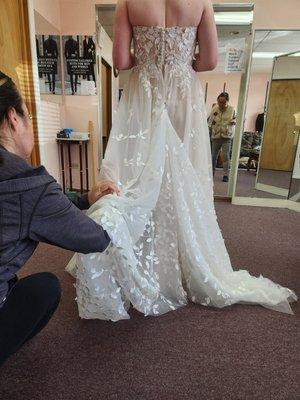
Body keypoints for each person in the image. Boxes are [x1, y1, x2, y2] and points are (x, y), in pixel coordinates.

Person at [66, 0, 296, 321]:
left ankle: (135, 261)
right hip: (181, 94)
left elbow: (120, 59)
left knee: (137, 174)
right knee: (183, 178)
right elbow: (209, 61)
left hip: (143, 94)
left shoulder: (128, 2)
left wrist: (147, 58)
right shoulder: (200, 1)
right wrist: (178, 57)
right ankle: (183, 258)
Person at [0, 72, 119, 366]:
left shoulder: (31, 189)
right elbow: (95, 239)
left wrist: (83, 200)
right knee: (46, 288)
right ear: (14, 118)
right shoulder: (27, 183)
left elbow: (45, 206)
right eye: (28, 114)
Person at [208, 92, 236, 182]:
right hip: (216, 136)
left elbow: (237, 119)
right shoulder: (214, 109)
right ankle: (211, 174)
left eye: (223, 102)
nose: (221, 104)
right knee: (213, 156)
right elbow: (209, 122)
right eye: (219, 102)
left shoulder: (232, 110)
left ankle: (226, 175)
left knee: (226, 156)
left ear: (227, 102)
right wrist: (208, 133)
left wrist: (234, 122)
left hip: (226, 137)